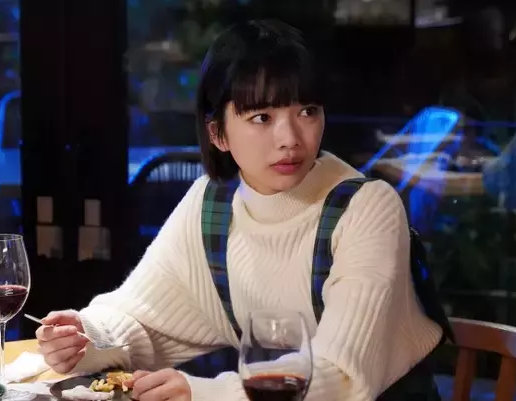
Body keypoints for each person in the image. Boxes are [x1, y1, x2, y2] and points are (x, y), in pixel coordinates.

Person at [35, 20, 443, 401]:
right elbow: (144, 318)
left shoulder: (366, 208)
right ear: (218, 134)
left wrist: (204, 394)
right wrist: (85, 338)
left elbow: (342, 375)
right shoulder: (213, 203)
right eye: (262, 117)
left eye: (307, 111)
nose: (290, 138)